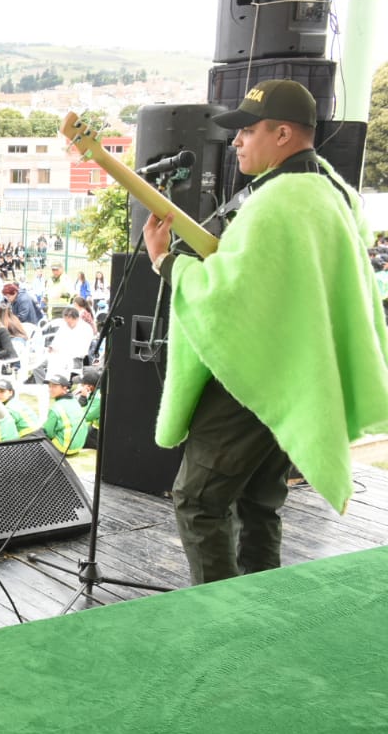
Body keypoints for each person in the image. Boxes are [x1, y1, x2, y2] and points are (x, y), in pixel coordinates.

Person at [143, 78, 388, 585]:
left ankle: (222, 616)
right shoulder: (328, 193)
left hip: (254, 376)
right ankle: (262, 608)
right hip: (293, 375)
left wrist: (165, 261)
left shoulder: (278, 203)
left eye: (247, 131)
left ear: (282, 134)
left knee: (197, 501)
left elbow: (227, 295)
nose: (235, 141)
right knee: (258, 501)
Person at [41, 372, 88, 455]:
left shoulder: (55, 408)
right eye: (50, 386)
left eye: (54, 386)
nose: (50, 389)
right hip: (79, 446)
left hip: (63, 448)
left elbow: (48, 432)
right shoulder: (75, 401)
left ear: (64, 388)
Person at [0, 375, 37, 440]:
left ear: (10, 392)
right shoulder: (15, 402)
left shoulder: (9, 408)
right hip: (35, 434)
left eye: (2, 391)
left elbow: (3, 434)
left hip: (31, 438)